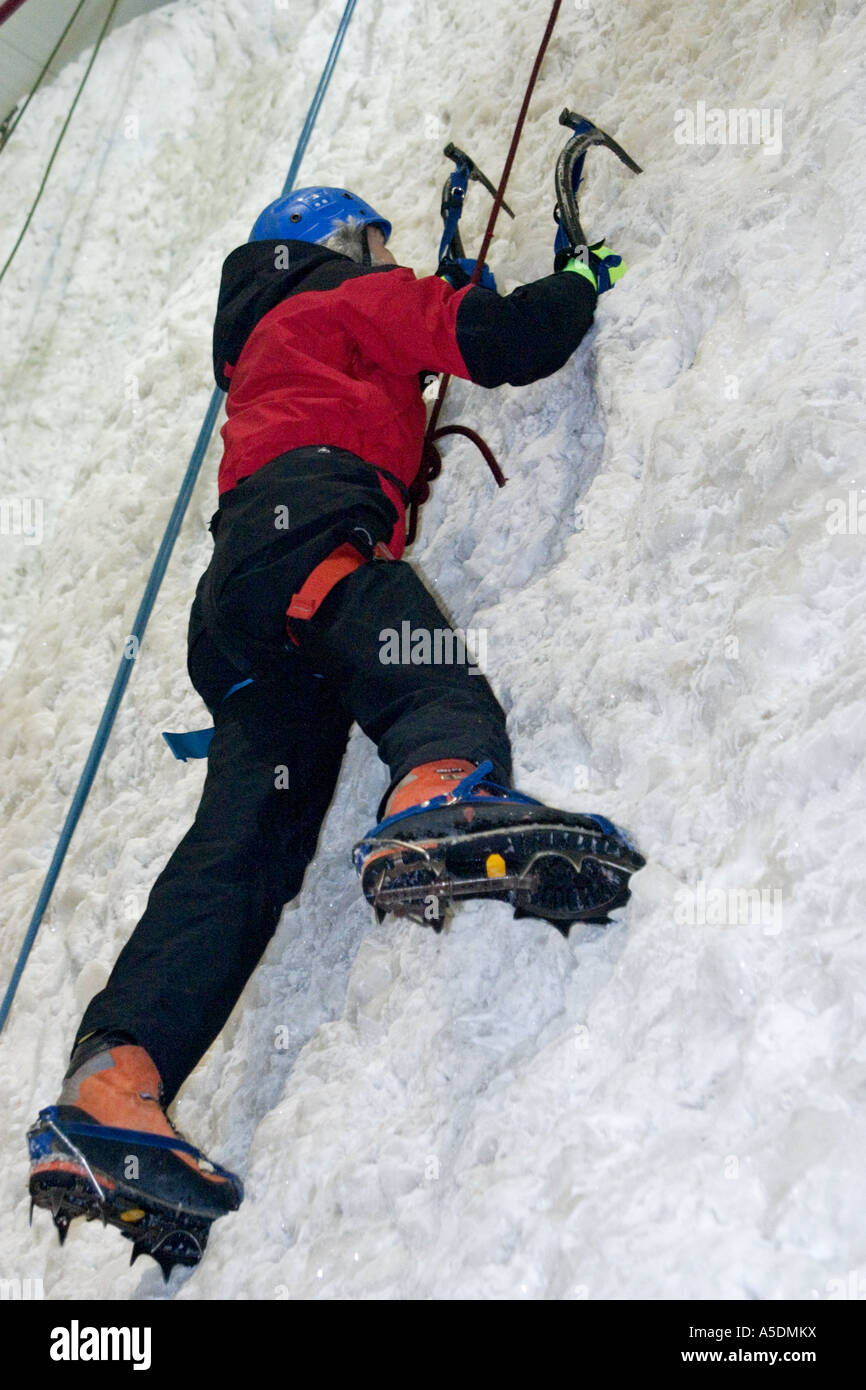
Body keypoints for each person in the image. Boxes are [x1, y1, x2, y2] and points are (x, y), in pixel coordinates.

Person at [27, 186, 637, 1277]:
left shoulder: (268, 340)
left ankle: (110, 1090)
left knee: (241, 850)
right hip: (307, 527)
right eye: (371, 241)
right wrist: (580, 285)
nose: (380, 255)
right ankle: (439, 790)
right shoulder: (344, 294)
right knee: (409, 651)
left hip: (238, 604)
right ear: (331, 245)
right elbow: (494, 342)